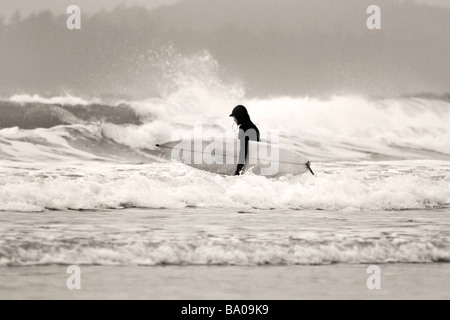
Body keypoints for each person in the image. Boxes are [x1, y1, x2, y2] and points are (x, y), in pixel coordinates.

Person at [229, 105, 260, 175]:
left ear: (239, 116)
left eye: (234, 117)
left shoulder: (243, 127)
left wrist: (238, 170)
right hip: (256, 162)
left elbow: (243, 149)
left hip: (249, 162)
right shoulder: (253, 126)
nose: (234, 120)